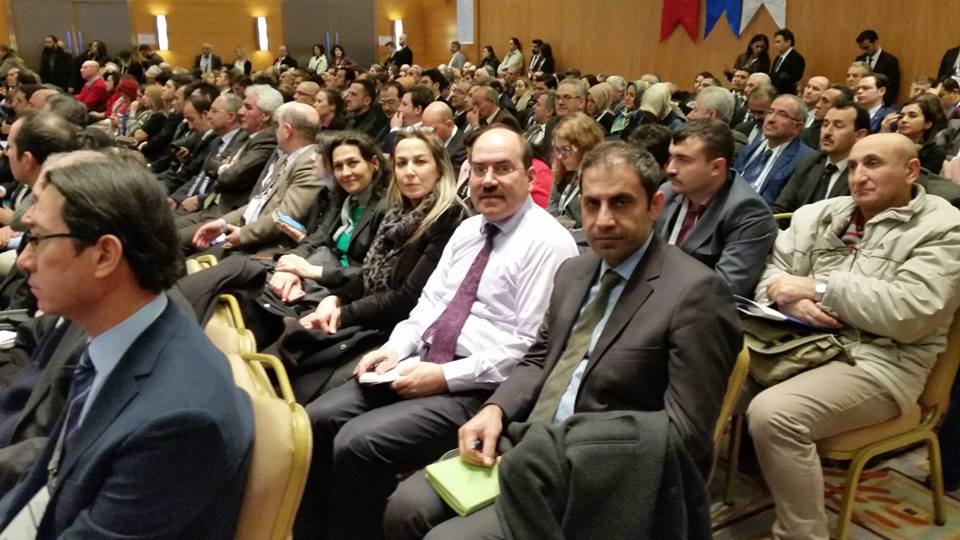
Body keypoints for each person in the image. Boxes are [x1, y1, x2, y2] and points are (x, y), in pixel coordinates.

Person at [384, 140, 742, 540]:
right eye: (592, 204)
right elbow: (539, 357)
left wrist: (562, 448)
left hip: (603, 471)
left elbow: (686, 433)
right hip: (530, 442)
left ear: (654, 205)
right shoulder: (574, 271)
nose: (603, 220)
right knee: (405, 507)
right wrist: (496, 409)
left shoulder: (696, 292)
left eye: (621, 202)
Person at [294, 126, 579, 539]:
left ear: (530, 176)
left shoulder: (548, 243)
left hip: (476, 389)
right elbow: (429, 305)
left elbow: (528, 348)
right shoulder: (468, 230)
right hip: (420, 361)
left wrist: (443, 377)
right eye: (479, 169)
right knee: (317, 418)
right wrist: (395, 348)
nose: (488, 180)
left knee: (358, 443)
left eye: (502, 168)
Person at [0, 151, 254, 538]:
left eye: (37, 239)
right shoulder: (119, 338)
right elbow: (42, 489)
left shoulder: (177, 423)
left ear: (105, 255)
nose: (25, 261)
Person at [745, 133, 960, 540]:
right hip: (796, 341)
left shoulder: (945, 228)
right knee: (703, 372)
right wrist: (788, 299)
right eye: (854, 166)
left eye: (873, 164)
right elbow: (772, 272)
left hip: (881, 362)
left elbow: (910, 313)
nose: (858, 176)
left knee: (775, 415)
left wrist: (818, 288)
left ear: (911, 171)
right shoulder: (820, 214)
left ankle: (803, 535)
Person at [280, 129, 468, 396]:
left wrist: (343, 314)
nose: (409, 172)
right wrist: (336, 299)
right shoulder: (398, 211)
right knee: (288, 345)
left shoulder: (449, 219)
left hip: (402, 333)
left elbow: (407, 299)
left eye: (420, 162)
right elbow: (369, 274)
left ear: (439, 169)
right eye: (401, 163)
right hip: (373, 315)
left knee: (306, 383)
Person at [658, 119, 776, 297]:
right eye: (671, 157)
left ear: (716, 167)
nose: (670, 169)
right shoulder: (668, 192)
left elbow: (724, 290)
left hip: (693, 307)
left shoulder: (748, 212)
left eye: (683, 160)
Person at [189, 101, 321, 255]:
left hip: (267, 249)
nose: (274, 131)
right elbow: (259, 202)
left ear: (287, 131)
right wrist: (223, 223)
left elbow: (285, 217)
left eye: (277, 126)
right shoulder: (286, 158)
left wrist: (243, 234)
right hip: (247, 233)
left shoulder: (310, 163)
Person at [774, 99, 869, 213]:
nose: (827, 132)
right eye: (825, 124)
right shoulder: (808, 163)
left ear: (859, 135)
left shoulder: (863, 174)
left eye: (838, 126)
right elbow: (781, 209)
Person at [734, 94, 816, 203]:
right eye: (770, 112)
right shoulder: (748, 150)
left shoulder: (805, 160)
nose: (771, 119)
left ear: (797, 127)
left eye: (782, 114)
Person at [548, 112, 604, 229]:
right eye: (557, 150)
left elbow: (592, 224)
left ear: (585, 147)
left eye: (566, 149)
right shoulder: (562, 171)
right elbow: (551, 212)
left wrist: (567, 225)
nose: (560, 157)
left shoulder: (602, 180)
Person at [886, 96, 948, 174]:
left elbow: (921, 179)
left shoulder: (935, 152)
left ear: (927, 124)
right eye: (901, 117)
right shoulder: (889, 144)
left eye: (912, 116)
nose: (904, 120)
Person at [855, 30, 900, 105]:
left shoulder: (890, 60)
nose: (865, 51)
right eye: (862, 48)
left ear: (875, 42)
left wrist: (882, 102)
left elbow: (893, 86)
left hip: (880, 102)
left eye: (867, 47)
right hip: (860, 101)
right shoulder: (859, 59)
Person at [770, 29, 805, 96]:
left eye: (778, 42)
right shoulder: (777, 58)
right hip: (774, 93)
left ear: (788, 42)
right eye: (775, 42)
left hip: (787, 94)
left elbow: (795, 79)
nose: (775, 45)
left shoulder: (797, 58)